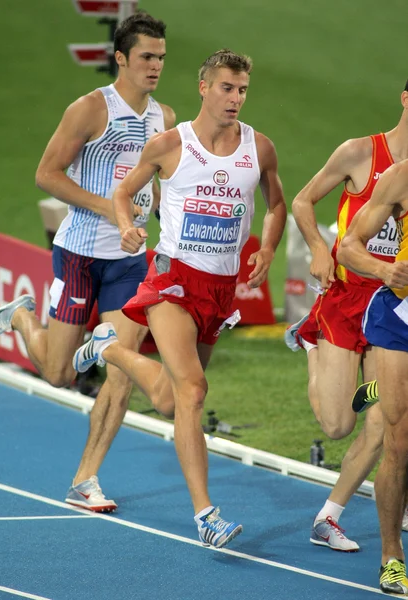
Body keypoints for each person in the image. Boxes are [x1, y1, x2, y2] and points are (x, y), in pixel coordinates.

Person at [72, 49, 287, 547]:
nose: (236, 99)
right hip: (172, 279)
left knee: (171, 402)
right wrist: (127, 227)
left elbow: (276, 203)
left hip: (220, 288)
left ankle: (107, 347)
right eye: (227, 88)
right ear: (204, 88)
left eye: (243, 90)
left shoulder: (261, 148)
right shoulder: (170, 145)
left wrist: (269, 247)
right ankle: (205, 515)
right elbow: (123, 193)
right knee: (192, 391)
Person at [0, 12, 175, 512]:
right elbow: (47, 174)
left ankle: (85, 479)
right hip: (80, 255)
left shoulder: (165, 119)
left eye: (160, 57)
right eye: (146, 57)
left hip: (129, 262)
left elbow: (161, 186)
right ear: (121, 59)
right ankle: (22, 315)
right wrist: (110, 206)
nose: (155, 66)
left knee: (122, 375)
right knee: (58, 374)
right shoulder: (89, 110)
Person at [284, 82, 408, 551]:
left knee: (385, 422)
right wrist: (319, 247)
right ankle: (309, 339)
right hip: (343, 297)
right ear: (404, 99)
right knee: (338, 425)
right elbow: (301, 200)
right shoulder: (360, 153)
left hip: (392, 306)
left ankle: (328, 515)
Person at [336, 157, 408, 594]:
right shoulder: (401, 176)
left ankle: (384, 389)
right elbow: (348, 245)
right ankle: (391, 556)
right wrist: (384, 269)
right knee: (399, 442)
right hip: (402, 316)